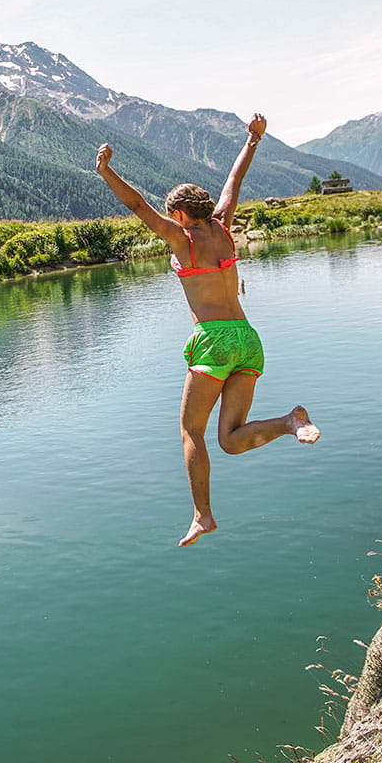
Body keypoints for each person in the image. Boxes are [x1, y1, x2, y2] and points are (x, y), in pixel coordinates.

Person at [95, 114, 319, 546]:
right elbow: (234, 181)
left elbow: (136, 206)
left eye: (170, 214)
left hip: (214, 342)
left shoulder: (183, 239)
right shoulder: (223, 226)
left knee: (191, 432)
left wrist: (106, 171)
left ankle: (203, 515)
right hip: (248, 341)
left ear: (179, 213)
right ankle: (290, 422)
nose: (168, 219)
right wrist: (252, 140)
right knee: (230, 441)